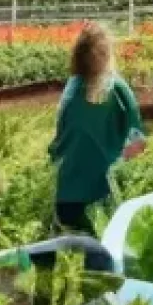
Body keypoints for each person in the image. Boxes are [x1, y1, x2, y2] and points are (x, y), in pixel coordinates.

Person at [49, 23, 145, 233]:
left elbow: (58, 141)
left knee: (71, 253)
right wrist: (122, 163)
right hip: (102, 193)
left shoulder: (71, 89)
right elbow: (138, 142)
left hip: (65, 192)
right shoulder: (117, 88)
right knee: (104, 253)